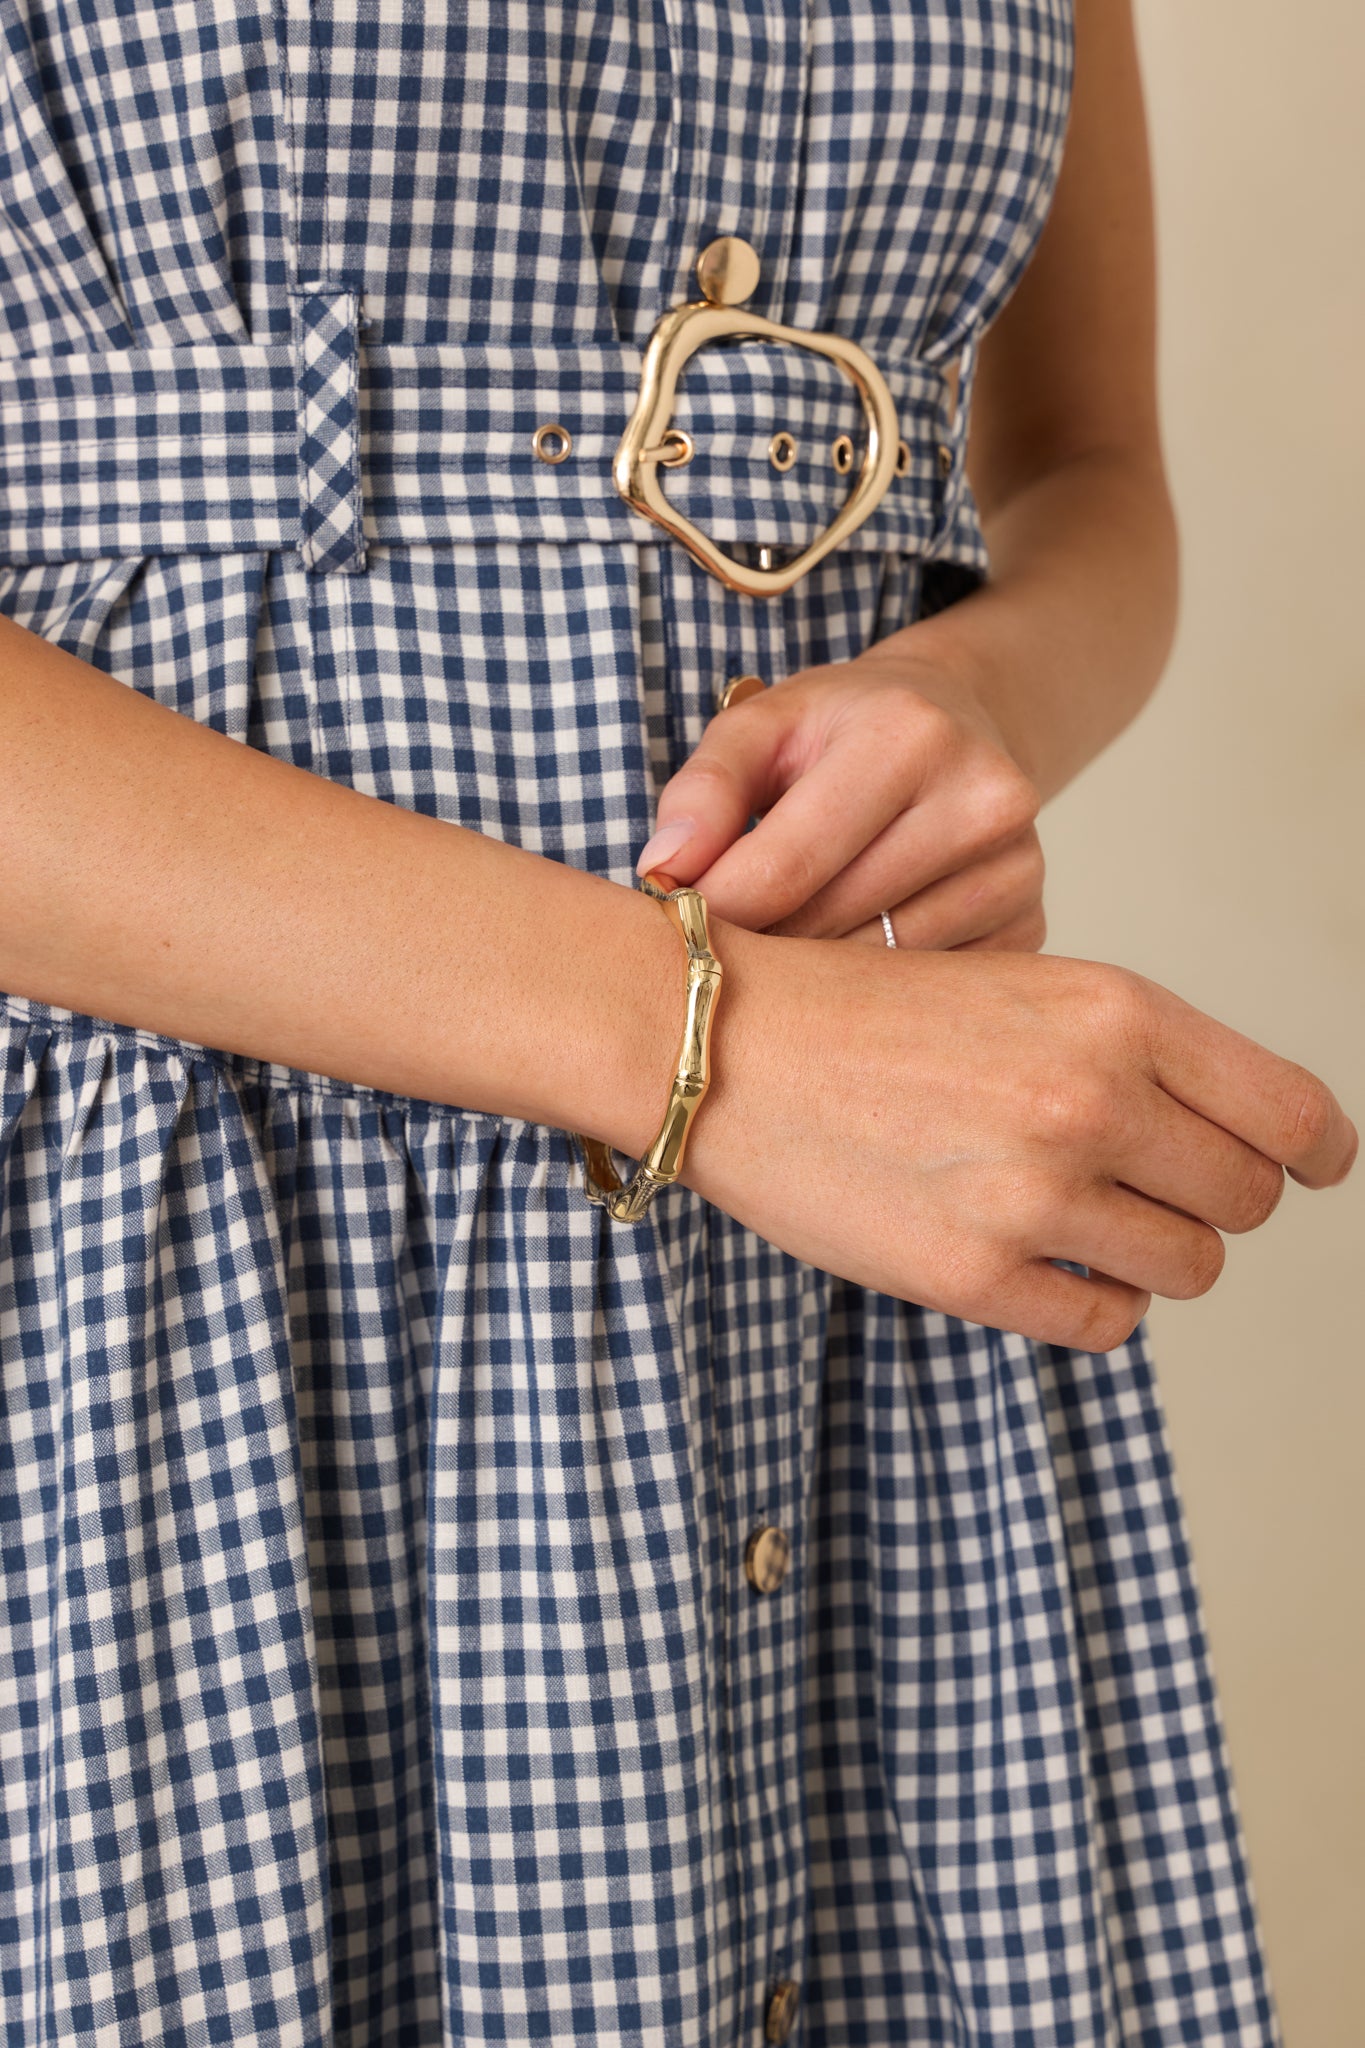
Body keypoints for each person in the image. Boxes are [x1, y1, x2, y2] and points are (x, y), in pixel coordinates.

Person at [0, 1, 1353, 2043]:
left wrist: (980, 694)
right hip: (199, 1269)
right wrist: (712, 1046)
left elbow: (1084, 465)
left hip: (871, 1280)